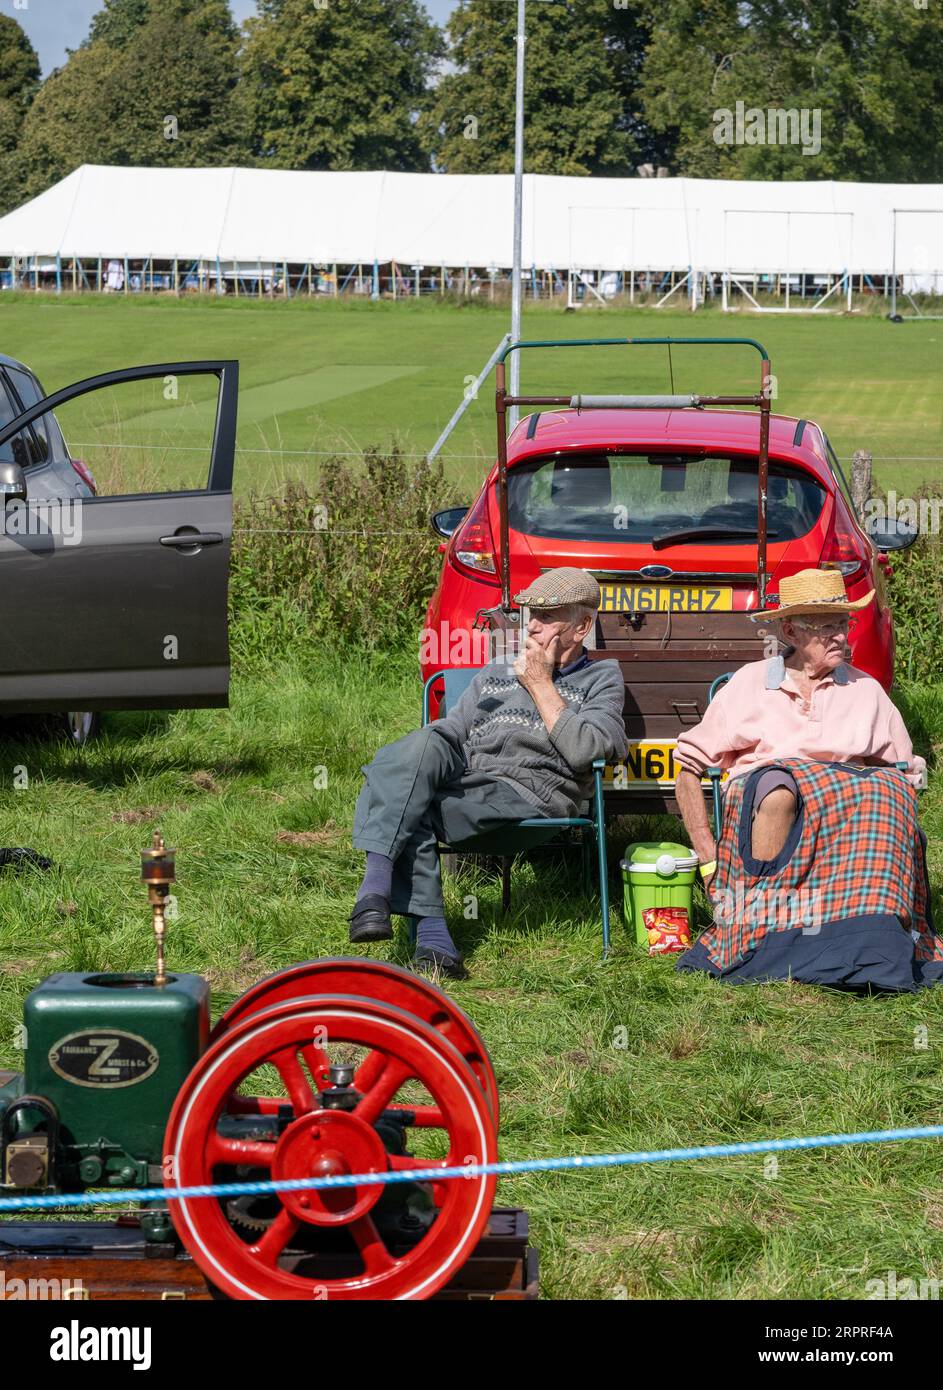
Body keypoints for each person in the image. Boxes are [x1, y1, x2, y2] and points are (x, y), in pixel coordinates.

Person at [348, 568, 629, 978]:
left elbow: (588, 751)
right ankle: (398, 915)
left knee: (402, 794)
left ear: (582, 626)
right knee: (421, 749)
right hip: (471, 780)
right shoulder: (497, 670)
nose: (532, 625)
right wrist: (410, 760)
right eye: (530, 613)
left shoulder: (600, 678)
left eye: (548, 617)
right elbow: (451, 733)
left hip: (530, 794)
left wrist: (540, 684)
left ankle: (396, 906)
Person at [671, 567, 941, 988]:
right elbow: (687, 767)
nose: (841, 636)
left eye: (843, 624)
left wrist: (893, 777)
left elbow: (904, 770)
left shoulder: (866, 691)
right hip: (772, 798)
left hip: (844, 825)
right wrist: (708, 860)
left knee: (889, 790)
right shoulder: (750, 684)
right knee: (779, 787)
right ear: (791, 631)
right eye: (827, 626)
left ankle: (871, 939)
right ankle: (758, 928)